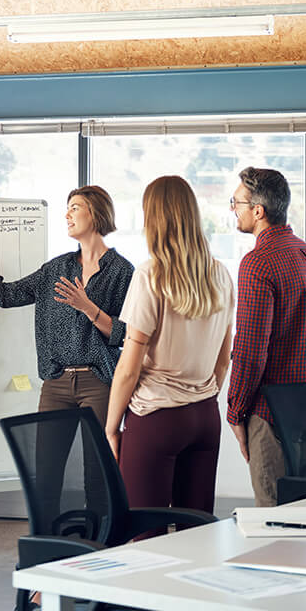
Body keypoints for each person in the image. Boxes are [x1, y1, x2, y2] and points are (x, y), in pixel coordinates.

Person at [0, 185, 133, 425]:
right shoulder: (57, 269)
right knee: (46, 461)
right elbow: (7, 294)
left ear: (96, 213)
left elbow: (125, 334)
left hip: (99, 382)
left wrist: (87, 307)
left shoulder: (122, 270)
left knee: (96, 461)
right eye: (67, 209)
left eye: (74, 208)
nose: (67, 215)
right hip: (57, 383)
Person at [105, 176, 234, 530]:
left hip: (157, 419)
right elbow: (224, 358)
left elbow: (129, 369)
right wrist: (201, 396)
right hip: (205, 418)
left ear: (154, 219)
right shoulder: (221, 275)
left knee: (145, 536)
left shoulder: (151, 276)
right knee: (198, 533)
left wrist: (111, 427)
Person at [226, 166, 306, 507]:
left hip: (271, 415)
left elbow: (250, 352)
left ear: (258, 211)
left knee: (273, 520)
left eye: (237, 202)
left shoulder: (259, 262)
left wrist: (235, 411)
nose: (233, 209)